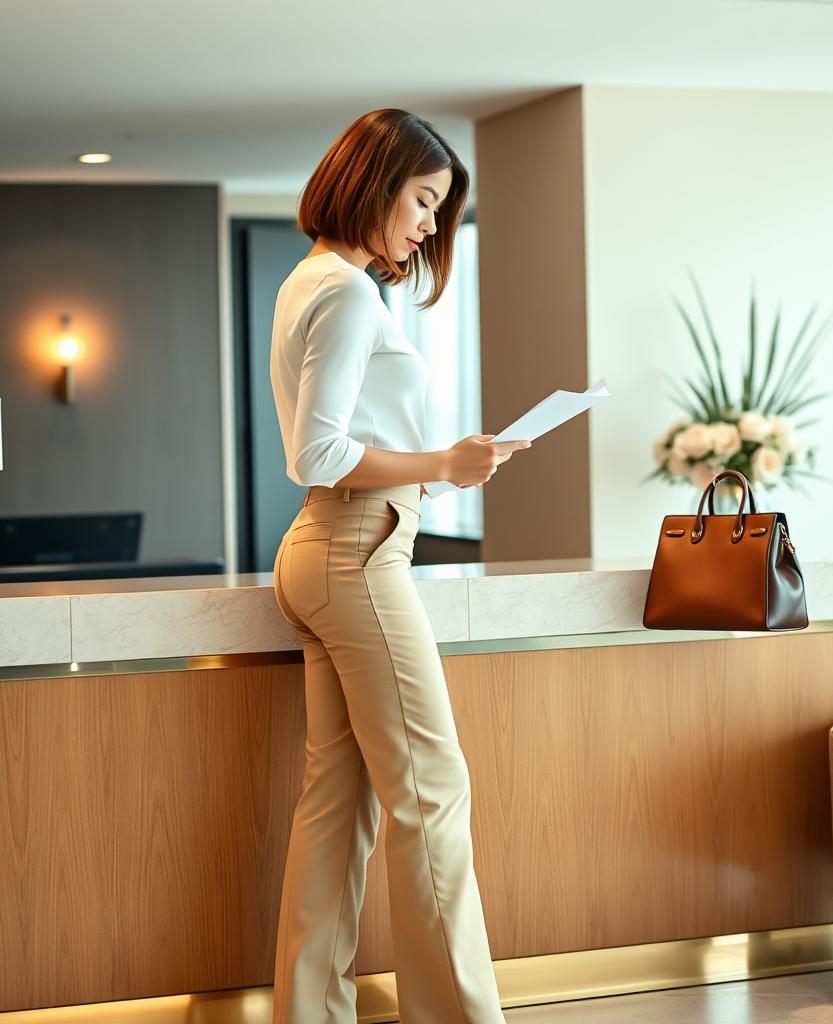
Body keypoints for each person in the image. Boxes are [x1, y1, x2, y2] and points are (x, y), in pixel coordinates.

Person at [268, 108, 531, 1023]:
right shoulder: (345, 293)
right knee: (432, 788)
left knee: (339, 800)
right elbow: (319, 452)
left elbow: (342, 448)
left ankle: (311, 1011)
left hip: (332, 549)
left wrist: (433, 476)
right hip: (356, 553)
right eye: (423, 201)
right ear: (374, 180)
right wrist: (439, 466)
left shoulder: (313, 280)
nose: (427, 226)